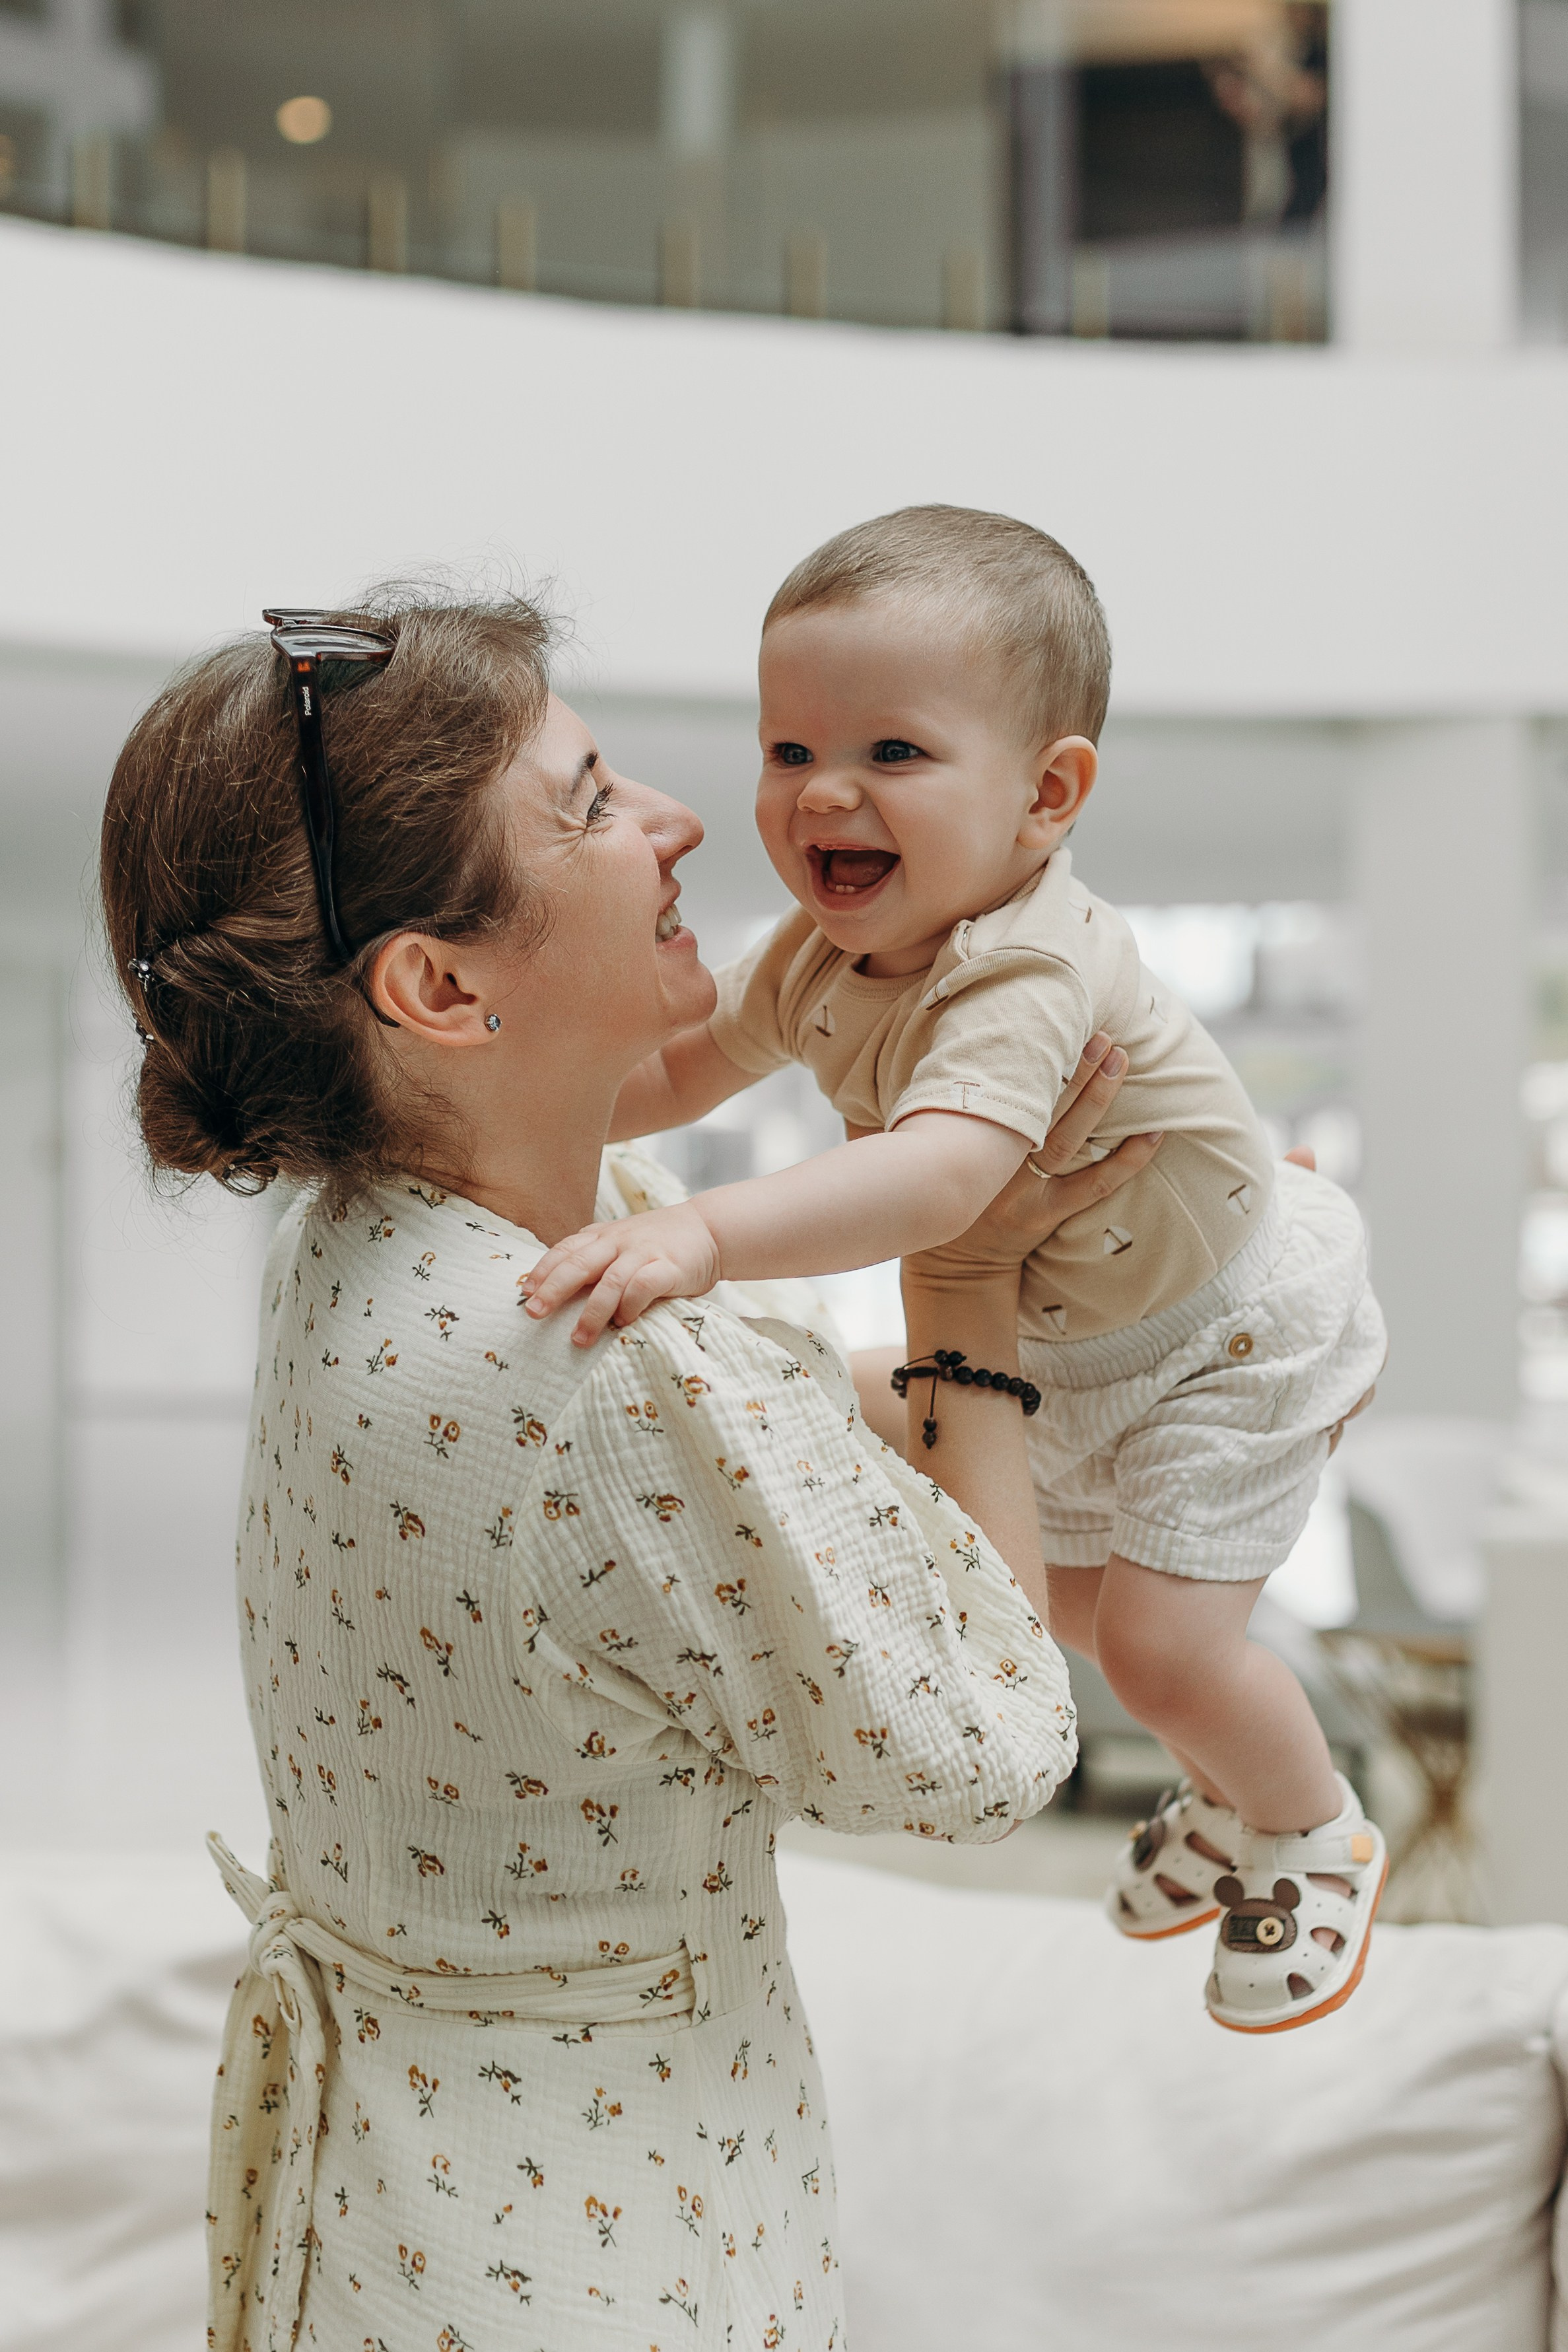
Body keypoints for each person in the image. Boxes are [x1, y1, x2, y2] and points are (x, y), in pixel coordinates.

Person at [98, 590, 1161, 2352]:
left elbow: (749, 1433)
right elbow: (990, 1742)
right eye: (588, 802)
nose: (680, 820)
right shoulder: (595, 1361)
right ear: (438, 987)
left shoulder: (365, 1237)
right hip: (601, 2259)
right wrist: (963, 1264)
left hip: (402, 2212)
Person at [524, 506, 1388, 2036]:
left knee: (1161, 1645)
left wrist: (701, 1234)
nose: (823, 794)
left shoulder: (1025, 964)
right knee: (1062, 1600)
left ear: (1047, 796)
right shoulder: (816, 952)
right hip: (1089, 1337)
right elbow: (685, 1066)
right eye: (789, 751)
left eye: (894, 754)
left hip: (1227, 1330)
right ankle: (1236, 1785)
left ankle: (1313, 1826)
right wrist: (537, 1109)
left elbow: (941, 1178)